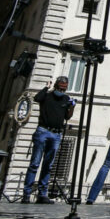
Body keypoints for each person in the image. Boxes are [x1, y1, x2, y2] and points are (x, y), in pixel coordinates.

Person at [22, 76, 75, 204]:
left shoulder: (66, 99)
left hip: (56, 134)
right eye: (60, 86)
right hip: (43, 131)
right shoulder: (47, 96)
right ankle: (26, 194)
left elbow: (67, 116)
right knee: (35, 164)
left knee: (48, 165)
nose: (62, 88)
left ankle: (42, 194)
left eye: (64, 86)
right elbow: (36, 98)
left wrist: (72, 107)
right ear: (56, 85)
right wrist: (46, 87)